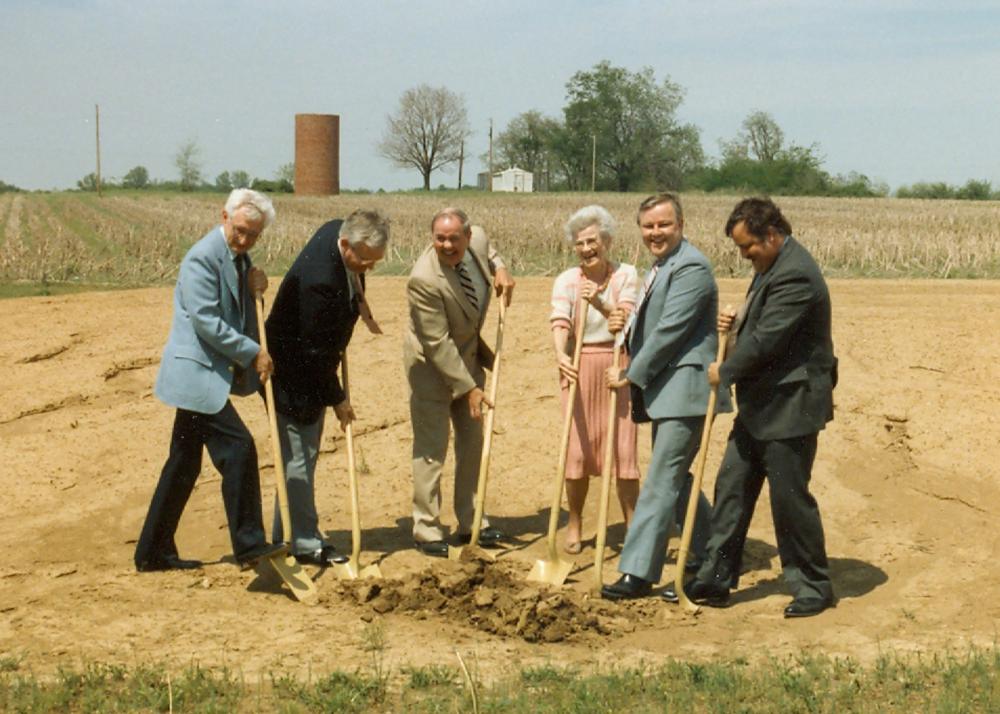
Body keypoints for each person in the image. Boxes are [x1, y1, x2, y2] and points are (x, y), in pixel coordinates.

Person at [667, 197, 838, 618]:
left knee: (788, 499)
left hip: (791, 406)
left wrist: (724, 371)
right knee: (731, 489)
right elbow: (759, 324)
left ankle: (813, 585)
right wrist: (737, 318)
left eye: (748, 247)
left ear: (773, 235)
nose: (744, 256)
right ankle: (716, 579)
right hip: (762, 405)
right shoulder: (773, 266)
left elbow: (768, 340)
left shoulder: (796, 274)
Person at [135, 189, 285, 572]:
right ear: (224, 216)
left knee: (183, 464)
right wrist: (253, 351)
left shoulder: (240, 258)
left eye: (253, 234)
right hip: (197, 375)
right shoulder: (202, 258)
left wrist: (256, 290)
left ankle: (152, 552)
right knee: (238, 448)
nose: (245, 239)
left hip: (204, 376)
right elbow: (206, 322)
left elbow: (238, 309)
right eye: (240, 230)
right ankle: (250, 546)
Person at [600, 192, 730, 601]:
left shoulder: (690, 266)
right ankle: (715, 553)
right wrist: (620, 320)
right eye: (648, 226)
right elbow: (649, 324)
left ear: (681, 224)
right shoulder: (661, 266)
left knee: (660, 481)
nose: (655, 233)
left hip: (686, 390)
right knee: (676, 479)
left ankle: (638, 574)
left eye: (664, 225)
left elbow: (671, 330)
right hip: (669, 391)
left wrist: (631, 374)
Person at [264, 210, 390, 566]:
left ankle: (287, 532)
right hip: (291, 370)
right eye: (364, 260)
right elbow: (315, 354)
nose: (368, 268)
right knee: (299, 456)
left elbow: (353, 278)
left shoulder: (338, 229)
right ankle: (302, 542)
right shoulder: (319, 282)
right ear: (346, 245)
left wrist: (359, 303)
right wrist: (338, 400)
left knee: (300, 455)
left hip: (310, 359)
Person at [404, 207, 515, 557]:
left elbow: (489, 251)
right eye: (440, 238)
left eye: (454, 238)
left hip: (467, 357)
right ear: (431, 238)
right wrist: (468, 387)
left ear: (467, 236)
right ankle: (427, 529)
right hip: (431, 368)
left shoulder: (477, 239)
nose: (447, 245)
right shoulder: (424, 279)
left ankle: (472, 521)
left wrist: (500, 269)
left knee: (472, 444)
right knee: (431, 449)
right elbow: (437, 343)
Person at [550, 205, 640, 555]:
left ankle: (633, 524)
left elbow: (626, 321)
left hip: (618, 364)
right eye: (579, 243)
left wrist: (599, 301)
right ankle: (575, 522)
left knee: (624, 451)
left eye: (592, 241)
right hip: (578, 363)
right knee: (577, 451)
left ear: (607, 241)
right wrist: (560, 354)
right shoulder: (566, 280)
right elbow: (559, 322)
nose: (586, 249)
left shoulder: (627, 275)